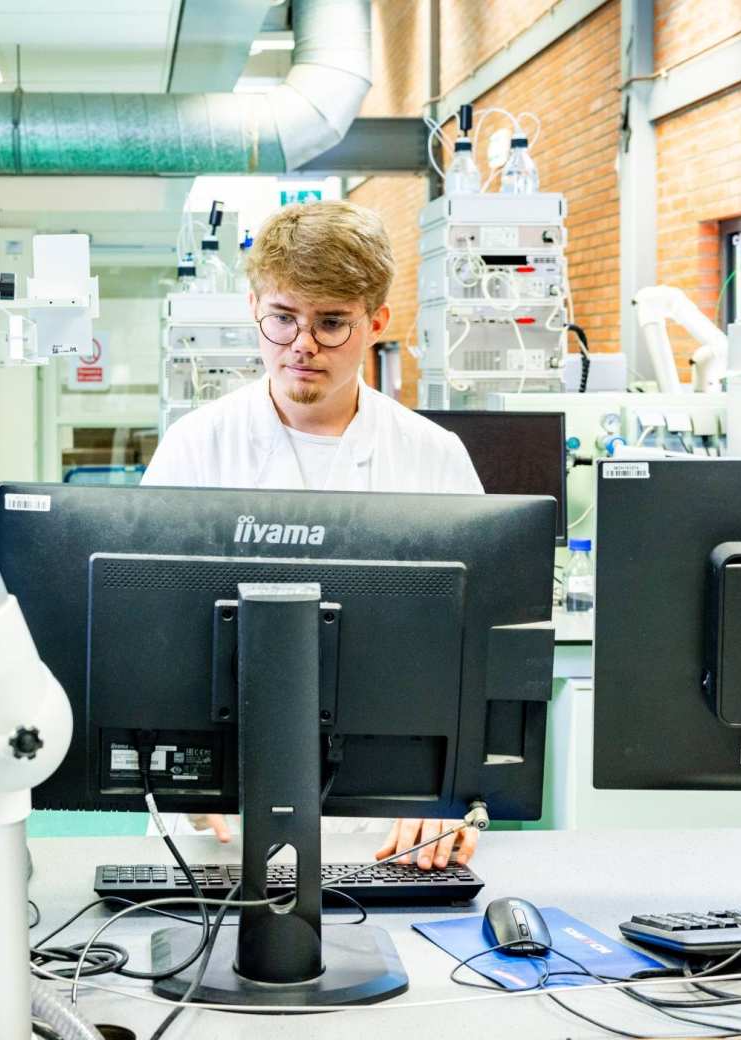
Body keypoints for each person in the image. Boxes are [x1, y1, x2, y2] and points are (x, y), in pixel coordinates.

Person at [143, 199, 483, 871]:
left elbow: (479, 651)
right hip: (215, 817)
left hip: (392, 829)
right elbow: (145, 629)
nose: (302, 344)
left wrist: (460, 797)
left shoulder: (432, 457)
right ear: (254, 309)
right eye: (284, 318)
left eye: (331, 323)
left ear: (376, 323)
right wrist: (177, 769)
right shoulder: (195, 448)